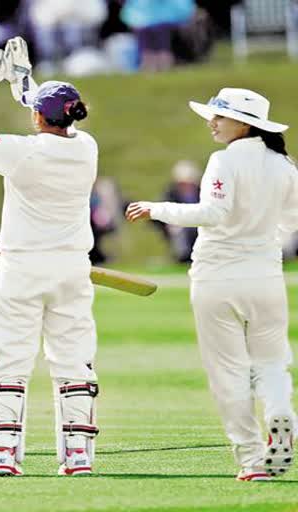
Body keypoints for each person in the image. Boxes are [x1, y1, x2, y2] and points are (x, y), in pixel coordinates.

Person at [126, 88, 297, 482]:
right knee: (271, 362)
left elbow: (213, 214)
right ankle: (279, 411)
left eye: (221, 116)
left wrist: (157, 209)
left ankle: (253, 461)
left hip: (218, 278)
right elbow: (291, 223)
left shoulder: (224, 160)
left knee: (228, 373)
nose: (212, 122)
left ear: (245, 123)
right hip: (267, 278)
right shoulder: (284, 165)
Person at [0, 41, 100, 477]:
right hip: (72, 268)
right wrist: (21, 80)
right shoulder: (86, 146)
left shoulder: (21, 150)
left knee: (11, 358)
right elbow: (47, 111)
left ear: (38, 117)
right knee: (73, 360)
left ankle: (4, 453)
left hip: (22, 268)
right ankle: (77, 456)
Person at [154, 160, 201, 263]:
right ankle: (184, 257)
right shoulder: (170, 193)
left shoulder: (201, 192)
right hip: (179, 226)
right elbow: (160, 211)